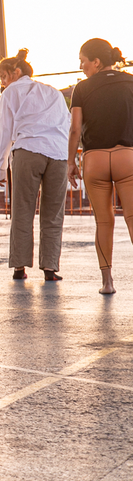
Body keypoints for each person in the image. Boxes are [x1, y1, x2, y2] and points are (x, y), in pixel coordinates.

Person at [0, 49, 71, 282]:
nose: (3, 83)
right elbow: (66, 124)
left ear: (16, 72)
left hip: (28, 152)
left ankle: (19, 267)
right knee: (53, 214)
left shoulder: (10, 93)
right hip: (58, 155)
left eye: (4, 77)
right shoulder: (53, 92)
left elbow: (4, 131)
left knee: (23, 210)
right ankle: (50, 269)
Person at [67, 38, 133, 295]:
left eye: (83, 62)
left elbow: (74, 129)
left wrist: (71, 162)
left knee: (103, 221)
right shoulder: (130, 82)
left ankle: (107, 283)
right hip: (127, 156)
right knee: (131, 218)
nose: (81, 67)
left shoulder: (81, 88)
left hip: (94, 159)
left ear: (96, 61)